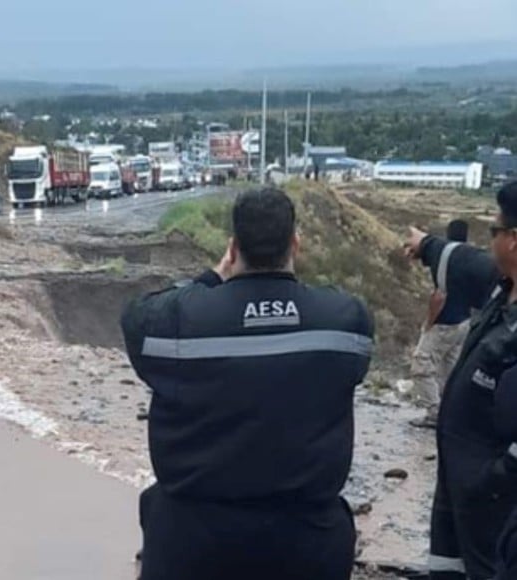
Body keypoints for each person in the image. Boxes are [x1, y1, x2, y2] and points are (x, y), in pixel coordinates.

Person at [121, 188, 374, 580]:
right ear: (295, 243)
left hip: (194, 543)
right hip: (305, 541)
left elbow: (136, 317)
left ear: (233, 247)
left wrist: (214, 277)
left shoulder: (175, 324)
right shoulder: (344, 321)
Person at [404, 181, 517, 580]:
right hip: (464, 491)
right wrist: (427, 245)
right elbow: (467, 261)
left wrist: (497, 477)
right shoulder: (502, 293)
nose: (491, 241)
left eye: (495, 231)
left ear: (514, 242)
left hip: (494, 500)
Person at [409, 219, 472, 428]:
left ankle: (435, 413)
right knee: (450, 369)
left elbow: (439, 295)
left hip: (445, 322)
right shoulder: (470, 257)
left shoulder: (445, 257)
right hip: (464, 322)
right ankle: (451, 411)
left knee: (421, 364)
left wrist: (428, 322)